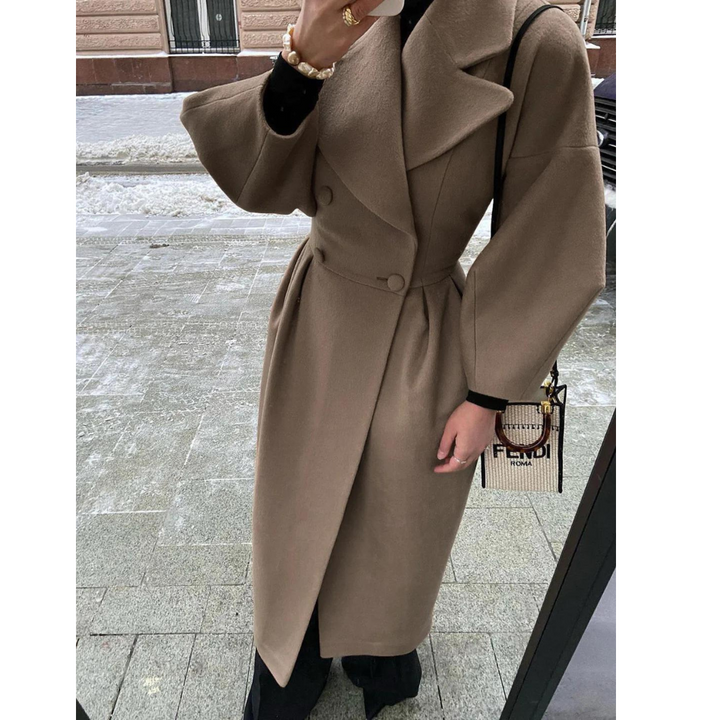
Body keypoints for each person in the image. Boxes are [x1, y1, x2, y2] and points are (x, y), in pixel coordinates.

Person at [180, 0, 606, 717]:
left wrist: (492, 392)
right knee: (297, 503)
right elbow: (261, 182)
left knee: (397, 522)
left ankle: (382, 652)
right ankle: (292, 661)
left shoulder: (535, 37)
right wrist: (301, 62)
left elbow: (555, 225)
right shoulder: (349, 12)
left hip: (422, 327)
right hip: (320, 311)